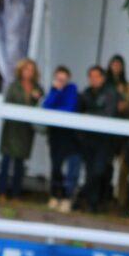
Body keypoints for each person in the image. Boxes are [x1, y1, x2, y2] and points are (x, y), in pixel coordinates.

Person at [77, 65, 119, 212]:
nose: (93, 80)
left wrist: (89, 115)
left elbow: (109, 113)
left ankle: (84, 197)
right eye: (91, 77)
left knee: (99, 171)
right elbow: (78, 112)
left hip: (104, 140)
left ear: (103, 78)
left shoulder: (110, 93)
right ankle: (91, 203)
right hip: (88, 139)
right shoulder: (86, 93)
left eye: (96, 76)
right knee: (90, 170)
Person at [0, 58, 42, 198]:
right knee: (6, 160)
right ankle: (2, 191)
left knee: (20, 162)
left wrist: (36, 98)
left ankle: (16, 193)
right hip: (12, 129)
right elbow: (7, 103)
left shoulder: (38, 88)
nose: (28, 72)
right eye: (26, 69)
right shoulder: (14, 86)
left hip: (25, 130)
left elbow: (42, 105)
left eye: (31, 70)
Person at [42, 65, 81, 212]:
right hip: (55, 135)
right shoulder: (54, 90)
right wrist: (57, 91)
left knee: (70, 168)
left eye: (63, 79)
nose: (61, 81)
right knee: (56, 166)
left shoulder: (72, 89)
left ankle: (66, 198)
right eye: (59, 78)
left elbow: (69, 109)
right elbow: (47, 107)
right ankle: (54, 195)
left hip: (69, 137)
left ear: (68, 78)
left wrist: (55, 107)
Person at [107, 54, 129, 210]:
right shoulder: (104, 83)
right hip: (105, 128)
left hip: (121, 131)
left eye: (119, 65)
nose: (116, 67)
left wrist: (124, 102)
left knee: (122, 166)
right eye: (114, 64)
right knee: (105, 165)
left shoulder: (127, 86)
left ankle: (120, 200)